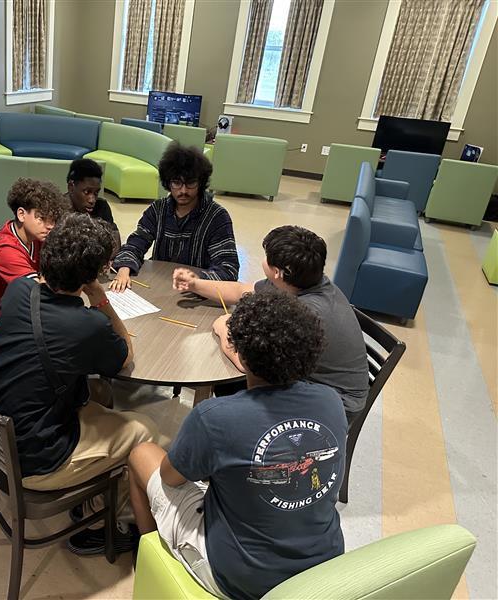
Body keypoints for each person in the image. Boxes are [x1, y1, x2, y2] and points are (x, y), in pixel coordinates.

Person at [128, 292, 347, 600]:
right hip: (323, 564)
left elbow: (170, 478)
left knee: (142, 454)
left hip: (241, 578)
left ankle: (151, 554)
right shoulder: (331, 401)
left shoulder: (214, 417)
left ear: (239, 352)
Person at [0, 213, 159, 555]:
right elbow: (125, 353)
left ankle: (94, 490)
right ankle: (99, 525)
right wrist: (99, 296)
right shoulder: (85, 324)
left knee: (100, 395)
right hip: (34, 461)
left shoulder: (20, 290)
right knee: (143, 429)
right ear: (93, 273)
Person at [174, 225, 368, 425]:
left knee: (229, 391)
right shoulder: (302, 279)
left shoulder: (303, 313)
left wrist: (223, 328)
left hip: (331, 407)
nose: (263, 260)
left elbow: (246, 363)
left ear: (278, 272)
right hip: (316, 383)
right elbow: (242, 291)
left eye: (267, 257)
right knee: (228, 386)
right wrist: (195, 284)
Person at [110, 142, 239, 291]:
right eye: (177, 183)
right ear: (168, 183)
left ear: (201, 183)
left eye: (190, 183)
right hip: (158, 285)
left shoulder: (217, 217)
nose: (183, 190)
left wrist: (196, 282)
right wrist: (124, 268)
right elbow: (136, 243)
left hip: (198, 293)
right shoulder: (158, 210)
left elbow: (228, 267)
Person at [0, 178, 68, 348]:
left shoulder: (34, 236)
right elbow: (40, 294)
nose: (50, 226)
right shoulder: (6, 249)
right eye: (42, 218)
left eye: (53, 220)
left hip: (15, 312)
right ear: (21, 214)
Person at [65, 158, 121, 251]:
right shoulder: (57, 209)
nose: (92, 200)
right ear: (71, 187)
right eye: (87, 192)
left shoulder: (102, 207)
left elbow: (115, 244)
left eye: (96, 193)